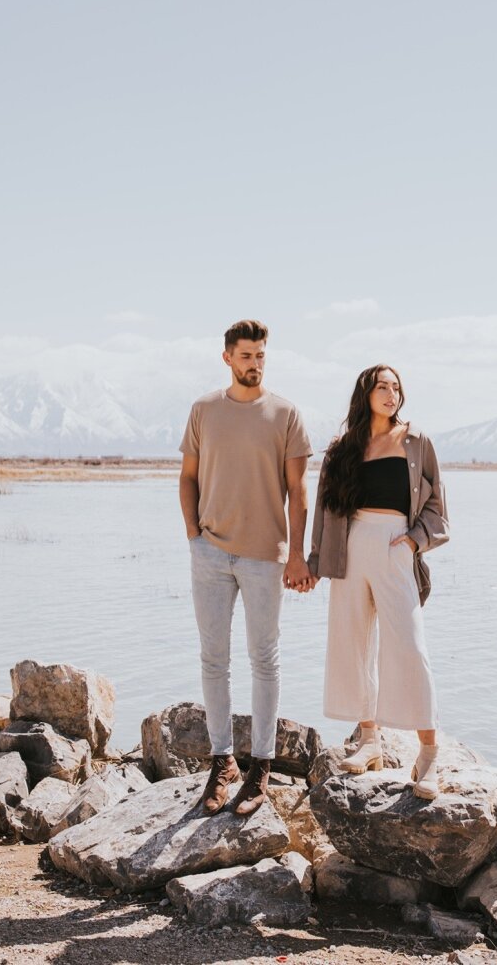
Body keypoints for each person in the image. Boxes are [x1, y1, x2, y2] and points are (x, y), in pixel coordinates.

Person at [179, 319, 313, 816]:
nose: (254, 364)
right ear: (227, 358)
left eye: (260, 356)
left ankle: (260, 767)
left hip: (264, 556)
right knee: (213, 659)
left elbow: (298, 491)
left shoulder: (285, 413)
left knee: (265, 660)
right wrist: (194, 537)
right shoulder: (203, 410)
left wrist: (296, 553)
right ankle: (222, 762)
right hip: (210, 554)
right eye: (246, 356)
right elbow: (187, 477)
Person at [307, 364, 449, 799]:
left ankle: (428, 753)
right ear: (365, 394)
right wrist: (315, 560)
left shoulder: (416, 441)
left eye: (396, 387)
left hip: (394, 546)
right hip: (349, 546)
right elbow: (324, 508)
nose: (391, 393)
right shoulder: (343, 448)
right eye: (382, 386)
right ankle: (369, 739)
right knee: (351, 643)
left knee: (408, 645)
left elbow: (437, 505)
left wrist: (412, 543)